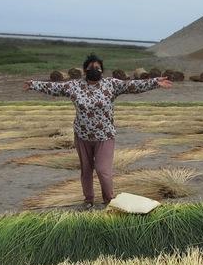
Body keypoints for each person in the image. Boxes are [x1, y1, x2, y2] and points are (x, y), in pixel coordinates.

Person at [23, 54, 172, 209]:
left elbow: (132, 86)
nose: (95, 70)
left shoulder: (111, 84)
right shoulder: (74, 86)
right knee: (86, 170)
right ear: (85, 70)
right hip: (82, 136)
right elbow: (54, 88)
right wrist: (34, 84)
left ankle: (109, 199)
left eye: (98, 68)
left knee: (102, 170)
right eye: (91, 67)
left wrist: (155, 82)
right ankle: (88, 200)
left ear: (102, 70)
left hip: (105, 136)